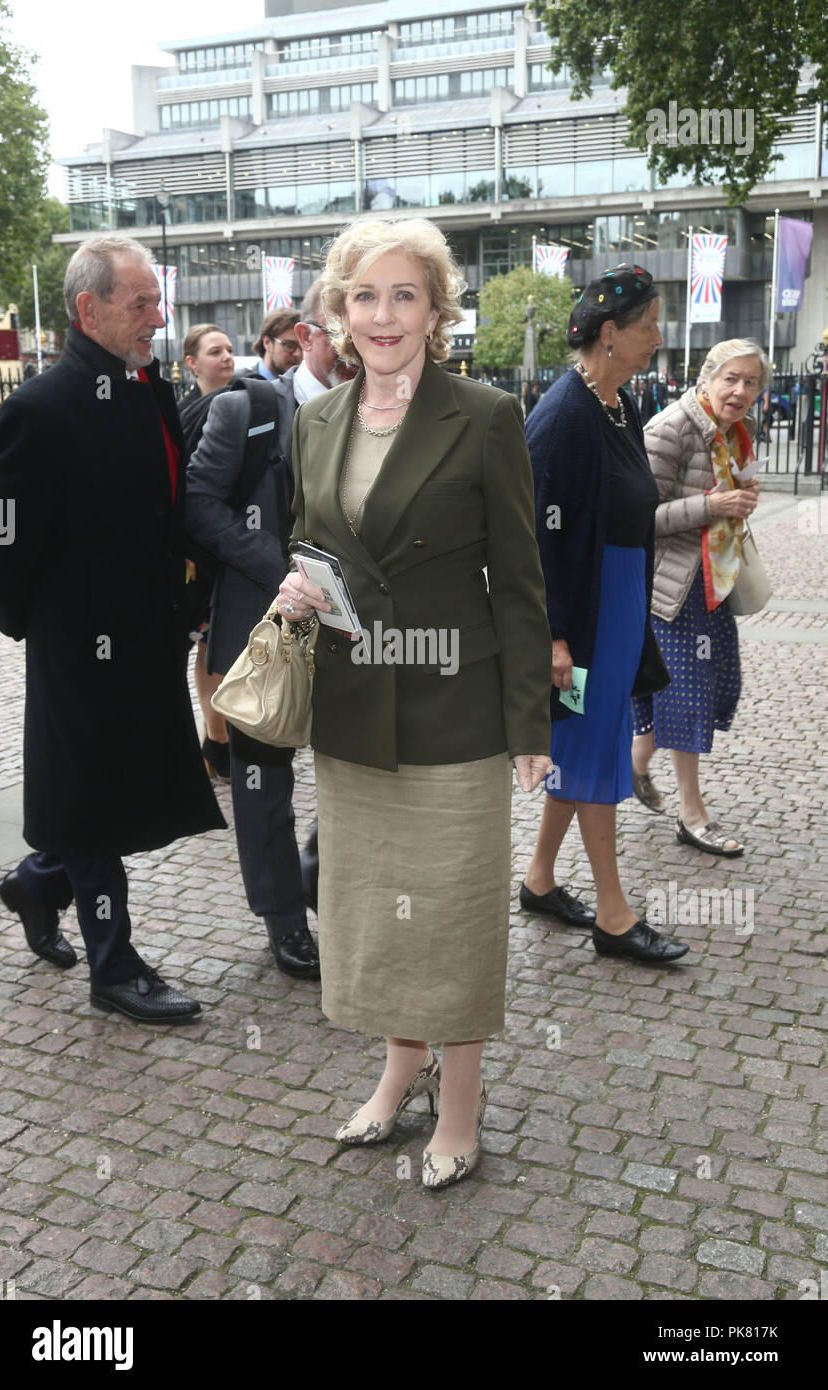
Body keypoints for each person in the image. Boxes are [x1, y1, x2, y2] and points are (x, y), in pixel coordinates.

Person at [276, 217, 553, 1190]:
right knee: (380, 915)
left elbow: (520, 581)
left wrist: (529, 724)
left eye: (405, 295)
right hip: (355, 714)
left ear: (437, 310)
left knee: (454, 911)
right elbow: (315, 544)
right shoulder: (312, 419)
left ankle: (463, 1100)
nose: (383, 315)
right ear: (339, 312)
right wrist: (297, 588)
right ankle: (399, 1073)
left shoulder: (485, 416)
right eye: (365, 296)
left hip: (454, 712)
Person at [0, 235, 225, 1021]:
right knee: (90, 799)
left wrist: (190, 592)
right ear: (89, 310)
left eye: (156, 301)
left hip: (148, 632)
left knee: (121, 790)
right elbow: (2, 534)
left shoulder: (148, 388)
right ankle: (114, 967)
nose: (158, 316)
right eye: (141, 304)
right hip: (77, 642)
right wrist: (31, 623)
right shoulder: (36, 408)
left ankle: (37, 881)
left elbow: (171, 503)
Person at [521, 264, 689, 966]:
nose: (659, 336)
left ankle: (537, 881)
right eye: (650, 323)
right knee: (597, 759)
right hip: (583, 617)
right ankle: (614, 918)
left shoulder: (617, 404)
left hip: (614, 603)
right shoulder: (564, 416)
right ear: (611, 333)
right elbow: (534, 535)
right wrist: (553, 634)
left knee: (588, 748)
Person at [185, 279, 348, 980]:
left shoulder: (388, 412)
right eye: (340, 323)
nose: (356, 338)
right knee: (262, 780)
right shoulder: (247, 409)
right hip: (262, 623)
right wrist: (283, 567)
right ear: (308, 331)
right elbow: (198, 501)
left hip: (355, 632)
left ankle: (313, 867)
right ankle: (283, 919)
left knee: (362, 765)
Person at [631, 339, 767, 855]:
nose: (740, 391)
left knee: (701, 685)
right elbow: (639, 519)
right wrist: (712, 505)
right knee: (688, 693)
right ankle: (693, 815)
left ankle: (637, 763)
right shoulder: (671, 427)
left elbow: (729, 494)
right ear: (707, 376)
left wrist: (741, 501)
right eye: (731, 378)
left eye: (751, 382)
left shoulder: (738, 432)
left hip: (713, 582)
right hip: (672, 588)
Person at [179, 323, 237, 783]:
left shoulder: (246, 400)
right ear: (192, 362)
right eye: (215, 351)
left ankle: (224, 736)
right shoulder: (181, 411)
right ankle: (216, 738)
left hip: (235, 542)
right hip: (198, 551)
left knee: (230, 645)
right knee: (209, 644)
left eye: (230, 350)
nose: (226, 357)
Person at [248, 309, 302, 380]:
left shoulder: (306, 386)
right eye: (289, 346)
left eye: (302, 348)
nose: (298, 354)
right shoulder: (234, 384)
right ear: (267, 343)